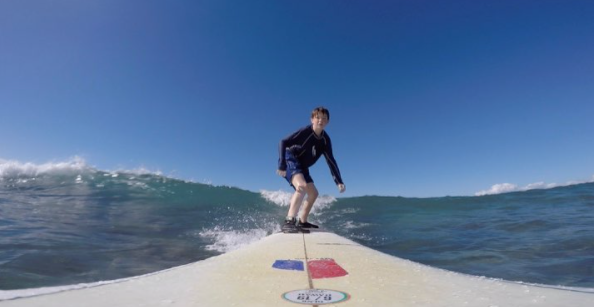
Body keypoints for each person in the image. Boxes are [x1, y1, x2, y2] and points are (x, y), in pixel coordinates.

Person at [277, 107, 346, 233]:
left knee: (313, 193)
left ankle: (302, 221)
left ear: (328, 122)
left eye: (324, 118)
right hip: (290, 158)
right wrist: (282, 164)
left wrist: (339, 181)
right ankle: (289, 221)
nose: (321, 120)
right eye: (317, 117)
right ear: (312, 119)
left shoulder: (325, 140)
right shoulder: (305, 131)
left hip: (303, 166)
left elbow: (331, 160)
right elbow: (283, 142)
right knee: (301, 186)